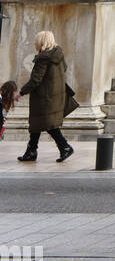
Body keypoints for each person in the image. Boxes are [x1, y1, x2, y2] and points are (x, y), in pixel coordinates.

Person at [17, 31, 74, 163]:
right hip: (54, 96)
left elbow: (36, 80)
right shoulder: (58, 55)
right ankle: (31, 151)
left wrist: (21, 92)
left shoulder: (44, 58)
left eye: (36, 41)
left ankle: (65, 146)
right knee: (37, 124)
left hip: (45, 98)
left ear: (41, 42)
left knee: (49, 124)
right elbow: (64, 69)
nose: (35, 44)